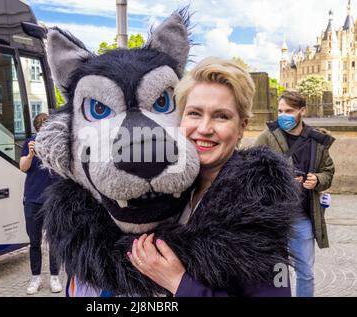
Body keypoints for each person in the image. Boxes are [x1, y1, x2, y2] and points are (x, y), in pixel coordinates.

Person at [127, 57, 298, 297]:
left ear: (241, 127)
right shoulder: (171, 187)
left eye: (221, 116)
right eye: (195, 113)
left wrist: (179, 283)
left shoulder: (258, 204)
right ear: (180, 120)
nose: (205, 128)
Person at [254, 90, 335, 297]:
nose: (283, 116)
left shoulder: (317, 140)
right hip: (273, 217)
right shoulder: (268, 136)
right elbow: (250, 170)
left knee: (305, 273)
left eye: (288, 111)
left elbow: (328, 172)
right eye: (280, 111)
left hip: (302, 217)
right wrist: (278, 181)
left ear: (302, 111)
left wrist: (316, 180)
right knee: (275, 272)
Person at [20, 113, 62, 295]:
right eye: (41, 129)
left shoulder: (57, 143)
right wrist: (30, 154)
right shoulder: (29, 143)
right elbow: (23, 167)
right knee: (34, 241)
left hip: (53, 200)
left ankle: (54, 276)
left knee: (54, 241)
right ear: (37, 130)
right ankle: (35, 277)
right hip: (32, 199)